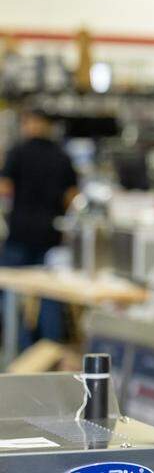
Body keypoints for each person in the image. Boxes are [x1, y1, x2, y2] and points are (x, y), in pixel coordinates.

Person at [0, 107, 78, 346]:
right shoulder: (62, 157)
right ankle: (48, 349)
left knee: (13, 293)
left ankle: (19, 346)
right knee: (51, 294)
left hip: (20, 233)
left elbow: (4, 188)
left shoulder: (17, 152)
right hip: (50, 234)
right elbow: (72, 198)